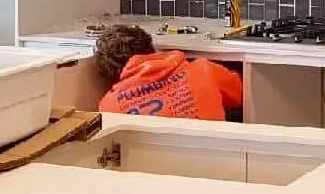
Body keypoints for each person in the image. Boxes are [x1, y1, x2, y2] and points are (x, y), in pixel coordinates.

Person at [93, 24, 246, 121]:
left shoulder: (109, 108)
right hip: (213, 159)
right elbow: (247, 97)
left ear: (110, 73)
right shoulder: (205, 70)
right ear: (152, 49)